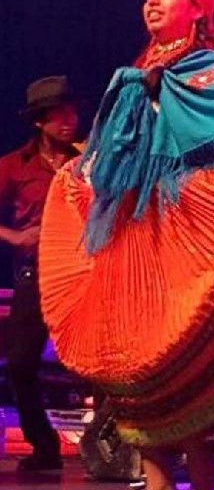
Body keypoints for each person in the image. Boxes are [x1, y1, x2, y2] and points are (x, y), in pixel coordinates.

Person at [38, 0, 214, 490]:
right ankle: (161, 482)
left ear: (198, 9)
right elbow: (113, 149)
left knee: (175, 348)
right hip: (135, 232)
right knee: (141, 362)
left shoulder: (209, 69)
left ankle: (197, 479)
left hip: (183, 227)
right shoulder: (135, 71)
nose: (153, 2)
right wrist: (80, 174)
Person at [0, 76, 80, 473]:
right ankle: (43, 444)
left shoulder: (87, 160)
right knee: (19, 362)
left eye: (71, 111)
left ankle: (112, 445)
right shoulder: (15, 166)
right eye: (57, 114)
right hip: (36, 273)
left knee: (100, 363)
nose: (68, 120)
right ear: (39, 121)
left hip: (83, 273)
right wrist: (14, 235)